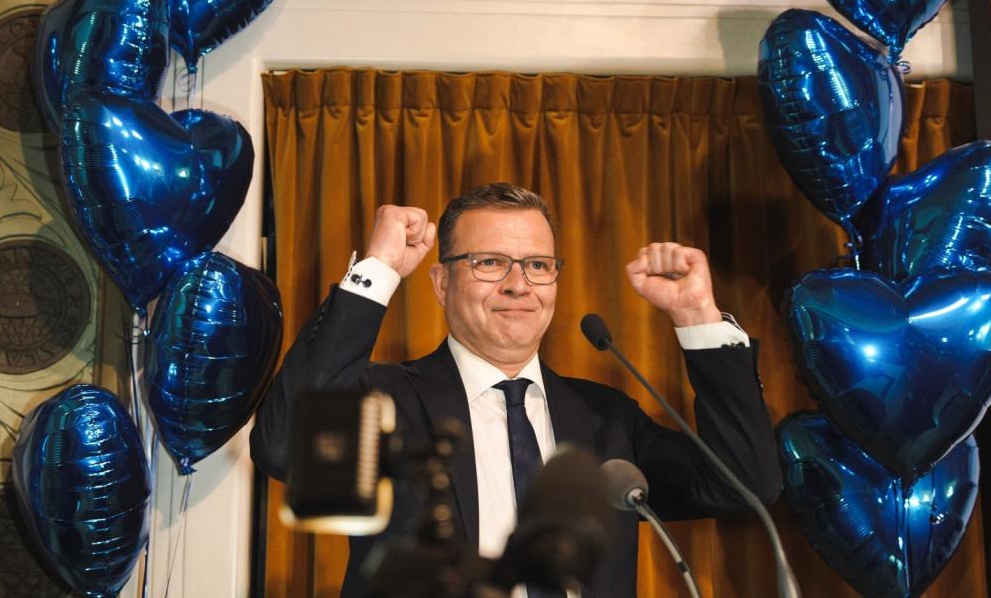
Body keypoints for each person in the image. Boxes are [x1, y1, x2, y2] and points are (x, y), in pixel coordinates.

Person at [251, 183, 781, 597]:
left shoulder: (607, 418)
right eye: (489, 262)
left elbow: (744, 483)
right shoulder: (386, 400)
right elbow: (283, 447)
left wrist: (697, 316)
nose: (517, 284)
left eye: (537, 265)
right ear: (441, 283)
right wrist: (379, 269)